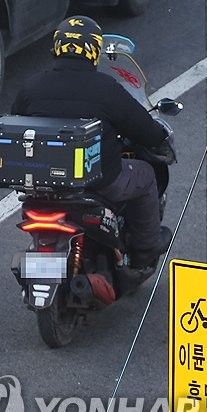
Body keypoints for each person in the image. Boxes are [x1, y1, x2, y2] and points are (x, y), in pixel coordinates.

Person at [11, 15, 173, 269]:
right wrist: (159, 136)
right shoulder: (106, 88)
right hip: (99, 182)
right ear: (94, 51)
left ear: (56, 47)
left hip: (41, 183)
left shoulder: (31, 86)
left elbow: (15, 127)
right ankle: (145, 250)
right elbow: (143, 128)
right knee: (145, 176)